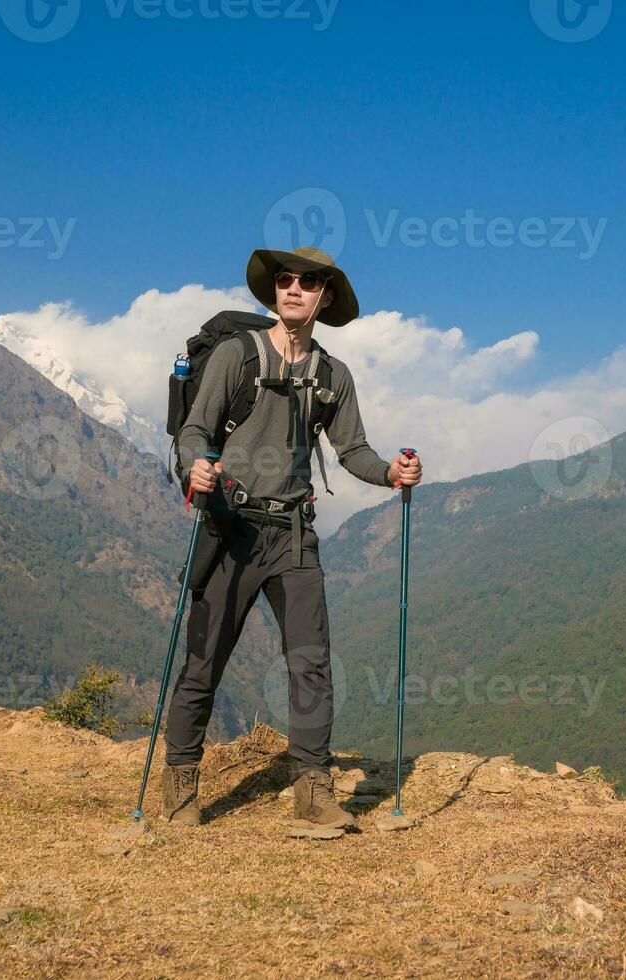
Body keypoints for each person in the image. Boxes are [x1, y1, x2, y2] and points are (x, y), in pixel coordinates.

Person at [164, 246, 422, 827]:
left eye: (308, 282)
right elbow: (196, 429)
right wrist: (196, 467)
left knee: (310, 662)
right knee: (205, 660)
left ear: (325, 296)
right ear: (274, 289)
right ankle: (179, 787)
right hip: (229, 528)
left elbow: (352, 449)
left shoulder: (332, 375)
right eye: (285, 279)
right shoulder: (236, 356)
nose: (294, 288)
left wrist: (390, 474)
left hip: (293, 534)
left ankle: (313, 791)